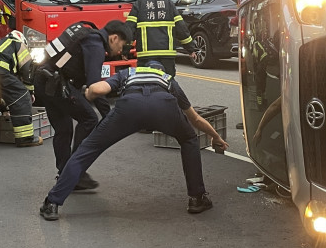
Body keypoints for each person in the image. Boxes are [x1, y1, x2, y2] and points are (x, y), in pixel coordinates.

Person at [38, 61, 228, 221]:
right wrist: (215, 137)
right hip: (163, 107)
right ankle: (197, 198)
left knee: (87, 149)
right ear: (160, 70)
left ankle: (52, 203)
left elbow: (98, 88)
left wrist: (88, 93)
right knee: (188, 139)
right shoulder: (167, 79)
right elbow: (195, 119)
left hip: (129, 109)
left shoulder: (128, 73)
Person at [35, 19, 133, 192]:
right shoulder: (95, 45)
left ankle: (66, 174)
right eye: (122, 45)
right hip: (56, 84)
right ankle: (75, 172)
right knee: (89, 118)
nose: (120, 51)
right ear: (114, 38)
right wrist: (108, 114)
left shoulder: (88, 35)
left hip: (44, 80)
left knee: (64, 129)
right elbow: (94, 85)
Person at [125, 0, 193, 76]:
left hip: (145, 56)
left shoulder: (139, 5)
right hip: (167, 56)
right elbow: (181, 29)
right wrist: (191, 49)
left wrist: (125, 50)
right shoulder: (169, 4)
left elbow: (129, 30)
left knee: (146, 83)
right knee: (167, 84)